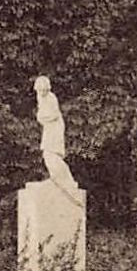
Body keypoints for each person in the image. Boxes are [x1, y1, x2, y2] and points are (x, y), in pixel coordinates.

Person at [33, 76, 82, 205]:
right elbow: (41, 115)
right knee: (47, 154)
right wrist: (41, 117)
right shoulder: (41, 97)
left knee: (51, 154)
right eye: (40, 90)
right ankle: (57, 178)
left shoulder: (51, 98)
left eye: (44, 90)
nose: (42, 92)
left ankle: (64, 180)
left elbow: (54, 114)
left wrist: (42, 117)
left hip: (55, 128)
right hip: (49, 128)